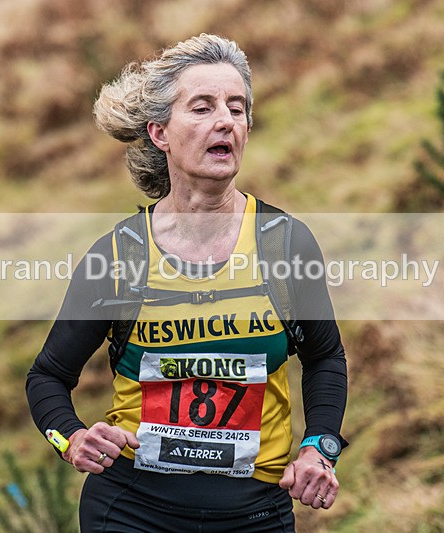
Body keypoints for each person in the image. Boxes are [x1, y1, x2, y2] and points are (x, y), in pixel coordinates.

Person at [26, 33, 348, 532]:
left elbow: (326, 357)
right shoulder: (120, 255)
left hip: (254, 513)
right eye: (202, 107)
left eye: (237, 109)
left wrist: (319, 449)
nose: (226, 121)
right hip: (131, 509)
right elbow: (46, 377)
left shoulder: (283, 245)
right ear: (160, 133)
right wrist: (70, 438)